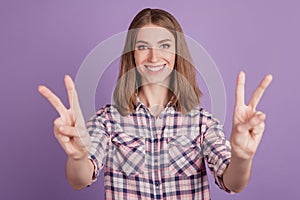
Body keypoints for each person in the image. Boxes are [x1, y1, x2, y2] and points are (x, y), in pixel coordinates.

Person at [38, 8, 272, 199]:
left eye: (165, 45)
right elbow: (79, 179)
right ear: (132, 55)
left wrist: (242, 158)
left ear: (177, 54)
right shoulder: (107, 121)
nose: (153, 57)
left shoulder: (202, 123)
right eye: (142, 47)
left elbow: (233, 182)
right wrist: (78, 158)